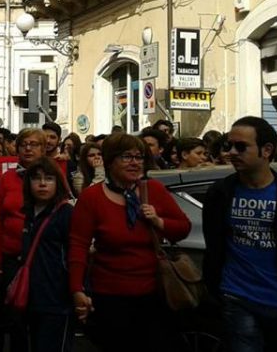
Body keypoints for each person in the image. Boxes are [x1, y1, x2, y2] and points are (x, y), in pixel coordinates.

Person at [68, 133, 191, 352]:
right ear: (109, 161)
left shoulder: (152, 190)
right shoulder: (92, 197)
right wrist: (77, 288)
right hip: (110, 297)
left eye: (139, 157)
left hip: (153, 294)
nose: (135, 162)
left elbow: (183, 229)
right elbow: (78, 244)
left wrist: (158, 221)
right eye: (126, 157)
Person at [202, 116, 277, 351]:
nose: (232, 152)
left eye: (241, 146)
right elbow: (214, 243)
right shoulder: (221, 193)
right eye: (228, 145)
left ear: (266, 150)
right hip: (237, 297)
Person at [0, 128, 47, 351]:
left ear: (44, 149)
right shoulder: (7, 179)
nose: (29, 148)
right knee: (15, 321)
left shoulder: (52, 176)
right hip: (11, 259)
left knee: (40, 319)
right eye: (24, 144)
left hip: (41, 260)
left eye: (34, 144)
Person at [21, 158, 75, 352]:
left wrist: (79, 290)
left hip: (57, 299)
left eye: (49, 178)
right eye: (36, 178)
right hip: (32, 298)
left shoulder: (65, 213)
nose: (42, 183)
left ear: (57, 183)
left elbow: (75, 256)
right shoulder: (27, 212)